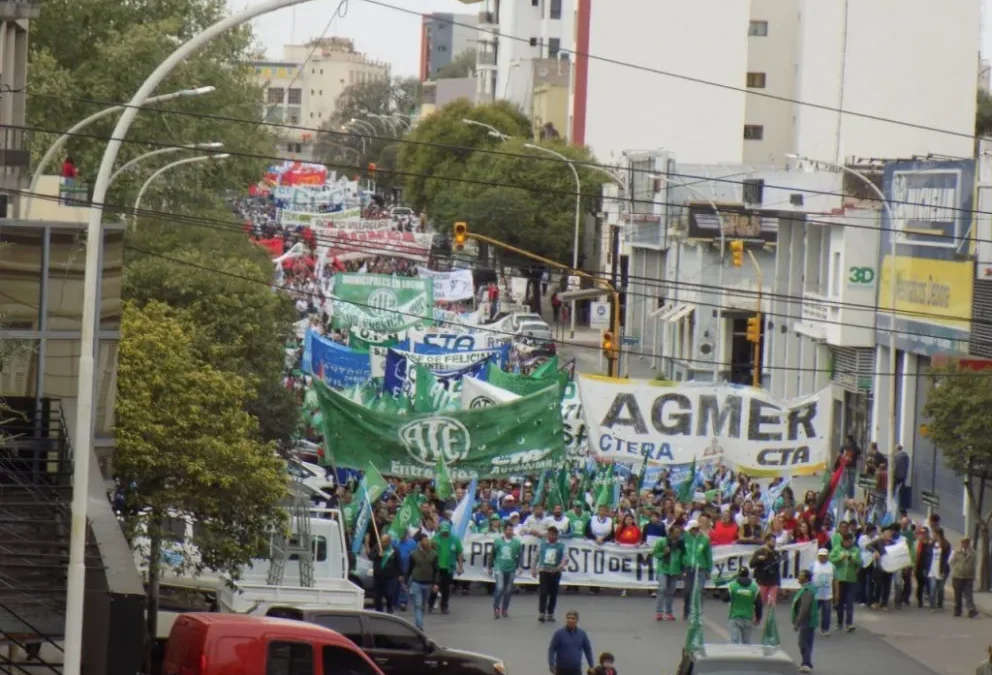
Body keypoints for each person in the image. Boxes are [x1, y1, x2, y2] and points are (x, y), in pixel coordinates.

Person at [489, 520, 523, 619]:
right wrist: (489, 567)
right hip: (499, 567)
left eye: (512, 530)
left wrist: (520, 566)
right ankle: (496, 608)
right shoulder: (498, 541)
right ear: (504, 531)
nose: (510, 531)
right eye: (508, 530)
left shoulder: (516, 542)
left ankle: (505, 608)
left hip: (511, 568)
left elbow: (520, 555)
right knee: (499, 588)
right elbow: (492, 554)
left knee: (508, 590)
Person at [406, 534, 439, 630]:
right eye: (425, 540)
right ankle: (419, 625)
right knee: (418, 604)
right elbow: (409, 569)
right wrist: (406, 581)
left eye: (428, 540)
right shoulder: (413, 554)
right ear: (420, 542)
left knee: (423, 604)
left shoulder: (434, 554)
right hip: (416, 582)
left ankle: (419, 619)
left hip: (428, 583)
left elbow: (436, 570)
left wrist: (436, 583)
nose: (427, 542)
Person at [534, 525, 567, 623]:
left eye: (553, 535)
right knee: (543, 592)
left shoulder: (561, 546)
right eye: (549, 534)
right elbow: (536, 556)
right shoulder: (543, 544)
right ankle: (542, 612)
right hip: (544, 571)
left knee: (553, 593)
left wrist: (561, 565)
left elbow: (566, 557)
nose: (551, 537)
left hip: (555, 572)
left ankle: (550, 613)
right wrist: (533, 569)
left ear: (556, 536)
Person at [430, 522, 464, 615]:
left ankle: (444, 606)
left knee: (446, 589)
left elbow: (460, 553)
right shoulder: (435, 538)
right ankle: (430, 604)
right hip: (437, 567)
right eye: (443, 531)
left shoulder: (455, 539)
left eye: (446, 531)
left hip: (449, 568)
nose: (445, 533)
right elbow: (429, 551)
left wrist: (460, 567)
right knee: (434, 587)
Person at [682, 520, 713, 620]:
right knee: (687, 590)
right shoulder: (685, 538)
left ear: (695, 529)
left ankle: (698, 612)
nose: (689, 531)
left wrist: (709, 569)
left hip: (701, 568)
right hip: (689, 568)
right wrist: (683, 565)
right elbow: (681, 552)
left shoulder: (704, 539)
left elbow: (708, 555)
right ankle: (687, 610)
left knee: (698, 590)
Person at [547, 610, 594, 675]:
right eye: (568, 618)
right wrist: (551, 664)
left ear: (577, 620)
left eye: (573, 618)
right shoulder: (559, 633)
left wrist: (591, 665)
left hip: (576, 668)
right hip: (561, 668)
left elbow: (588, 650)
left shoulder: (582, 634)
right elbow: (552, 649)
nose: (570, 620)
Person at [829, 533, 859, 632]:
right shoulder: (837, 549)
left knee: (850, 602)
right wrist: (839, 558)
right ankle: (839, 623)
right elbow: (831, 559)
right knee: (840, 603)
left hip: (851, 579)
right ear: (843, 541)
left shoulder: (855, 550)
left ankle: (849, 624)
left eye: (850, 542)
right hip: (840, 579)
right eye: (846, 542)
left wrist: (853, 560)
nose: (848, 544)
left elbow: (861, 563)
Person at [652, 523, 683, 621]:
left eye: (679, 533)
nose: (678, 535)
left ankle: (669, 612)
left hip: (675, 569)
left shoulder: (680, 544)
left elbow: (682, 556)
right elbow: (655, 553)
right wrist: (663, 553)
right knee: (662, 588)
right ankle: (659, 612)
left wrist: (682, 569)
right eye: (676, 533)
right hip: (663, 568)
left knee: (671, 591)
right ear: (671, 533)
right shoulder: (662, 541)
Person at [749, 534, 781, 621]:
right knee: (760, 602)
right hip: (762, 581)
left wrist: (778, 583)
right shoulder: (759, 552)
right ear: (767, 541)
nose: (774, 543)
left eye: (775, 541)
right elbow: (751, 565)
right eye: (772, 541)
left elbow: (777, 569)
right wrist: (759, 559)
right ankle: (756, 617)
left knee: (771, 603)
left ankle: (770, 621)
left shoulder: (776, 554)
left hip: (773, 582)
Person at [791, 569, 818, 673]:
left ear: (806, 578)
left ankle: (807, 663)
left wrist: (797, 622)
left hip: (806, 621)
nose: (798, 577)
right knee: (807, 642)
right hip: (808, 620)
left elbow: (804, 608)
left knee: (803, 643)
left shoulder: (807, 591)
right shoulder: (807, 589)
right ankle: (806, 663)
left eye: (801, 576)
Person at [371, 533, 403, 614]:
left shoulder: (394, 550)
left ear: (389, 542)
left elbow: (399, 562)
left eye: (385, 542)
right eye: (382, 542)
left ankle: (389, 608)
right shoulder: (377, 548)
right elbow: (371, 557)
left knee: (389, 594)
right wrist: (378, 555)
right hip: (378, 576)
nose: (383, 544)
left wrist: (401, 574)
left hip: (390, 576)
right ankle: (379, 611)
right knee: (378, 595)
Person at [950, 535, 980, 618]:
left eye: (967, 542)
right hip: (957, 577)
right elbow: (950, 561)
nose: (965, 544)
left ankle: (971, 610)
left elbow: (974, 564)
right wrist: (957, 567)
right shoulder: (956, 552)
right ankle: (957, 610)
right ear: (961, 543)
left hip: (968, 577)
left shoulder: (973, 553)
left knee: (969, 595)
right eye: (964, 542)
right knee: (958, 595)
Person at [727, 567, 758, 644]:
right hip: (748, 617)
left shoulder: (733, 586)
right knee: (747, 642)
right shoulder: (754, 587)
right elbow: (759, 604)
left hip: (735, 616)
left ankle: (735, 655)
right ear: (748, 575)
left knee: (734, 642)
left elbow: (724, 598)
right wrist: (758, 617)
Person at [809, 548, 834, 636]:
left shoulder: (831, 566)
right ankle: (811, 627)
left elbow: (836, 580)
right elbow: (808, 579)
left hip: (827, 594)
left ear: (827, 556)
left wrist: (837, 593)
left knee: (826, 612)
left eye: (824, 556)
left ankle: (825, 629)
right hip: (815, 593)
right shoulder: (813, 565)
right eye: (821, 556)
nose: (822, 557)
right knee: (813, 612)